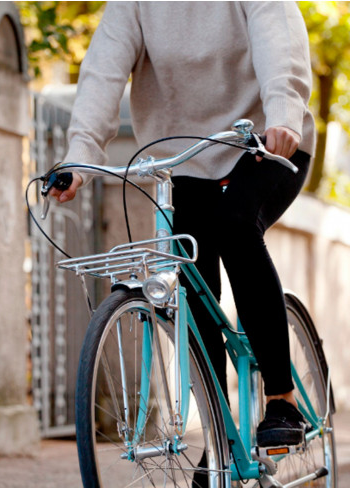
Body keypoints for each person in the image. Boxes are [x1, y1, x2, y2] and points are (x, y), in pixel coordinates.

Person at [51, 0, 315, 458]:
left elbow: (280, 39)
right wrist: (80, 156)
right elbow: (102, 72)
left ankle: (281, 401)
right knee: (188, 280)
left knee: (235, 225)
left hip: (264, 144)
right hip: (184, 163)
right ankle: (220, 440)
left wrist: (283, 112)